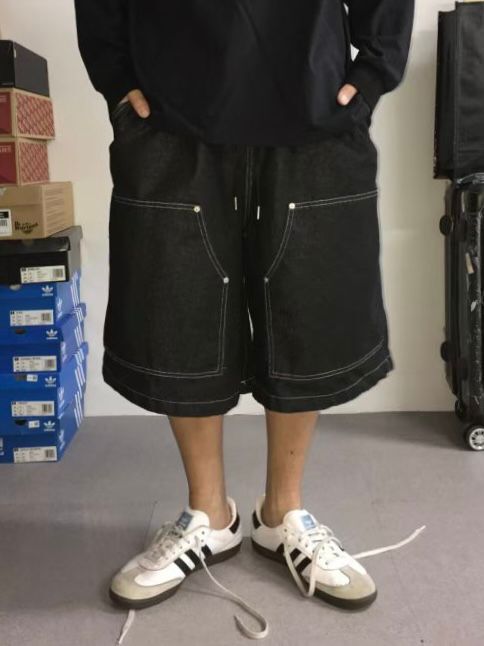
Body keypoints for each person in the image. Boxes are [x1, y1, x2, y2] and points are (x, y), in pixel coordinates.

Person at [74, 0, 415, 635]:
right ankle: (210, 515)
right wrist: (118, 81)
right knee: (177, 309)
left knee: (307, 311)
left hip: (313, 105)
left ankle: (282, 513)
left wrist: (372, 73)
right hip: (170, 108)